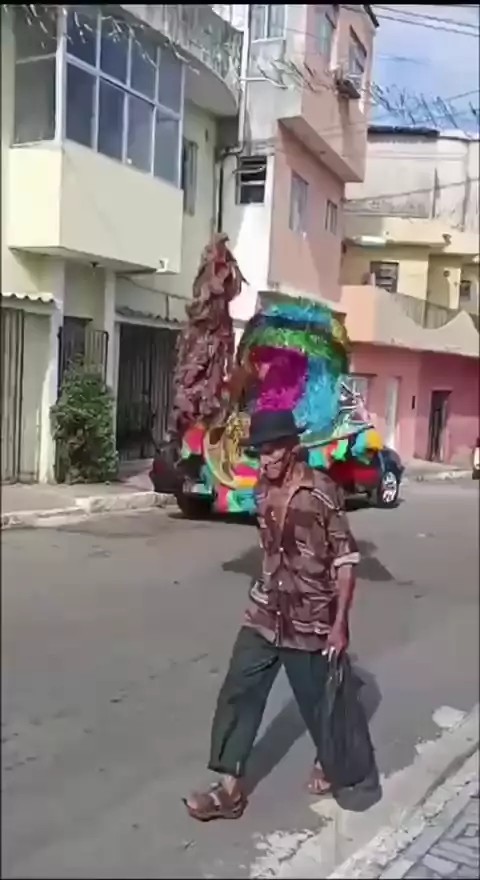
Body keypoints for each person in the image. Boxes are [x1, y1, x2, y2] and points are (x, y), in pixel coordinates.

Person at [184, 408, 360, 821]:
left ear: (292, 447)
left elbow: (346, 560)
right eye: (259, 452)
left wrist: (339, 624)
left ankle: (332, 761)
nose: (264, 460)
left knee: (318, 700)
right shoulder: (262, 490)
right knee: (239, 690)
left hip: (310, 617)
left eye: (271, 451)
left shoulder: (322, 492)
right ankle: (229, 789)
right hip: (265, 612)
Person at [169, 233, 246, 440]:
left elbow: (230, 289)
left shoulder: (222, 324)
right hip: (205, 347)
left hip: (216, 347)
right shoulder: (199, 327)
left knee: (213, 383)